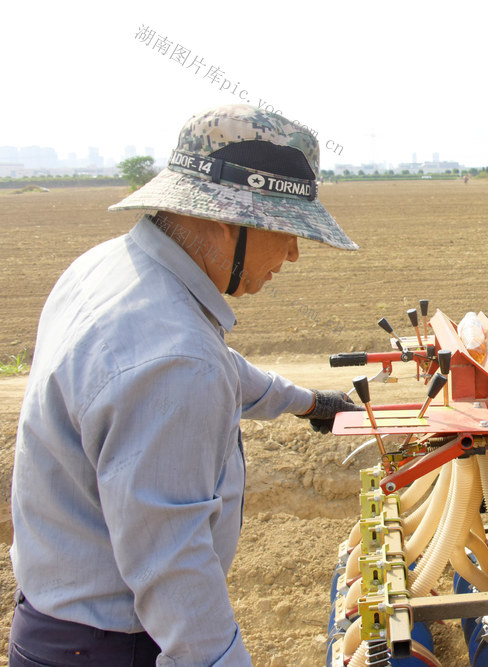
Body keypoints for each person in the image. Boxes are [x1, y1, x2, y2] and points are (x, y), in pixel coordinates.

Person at [9, 104, 363, 665]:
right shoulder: (174, 355)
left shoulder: (110, 271)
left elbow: (219, 368)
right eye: (288, 231)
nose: (295, 253)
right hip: (111, 648)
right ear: (228, 222)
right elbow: (174, 571)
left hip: (56, 623)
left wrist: (307, 403)